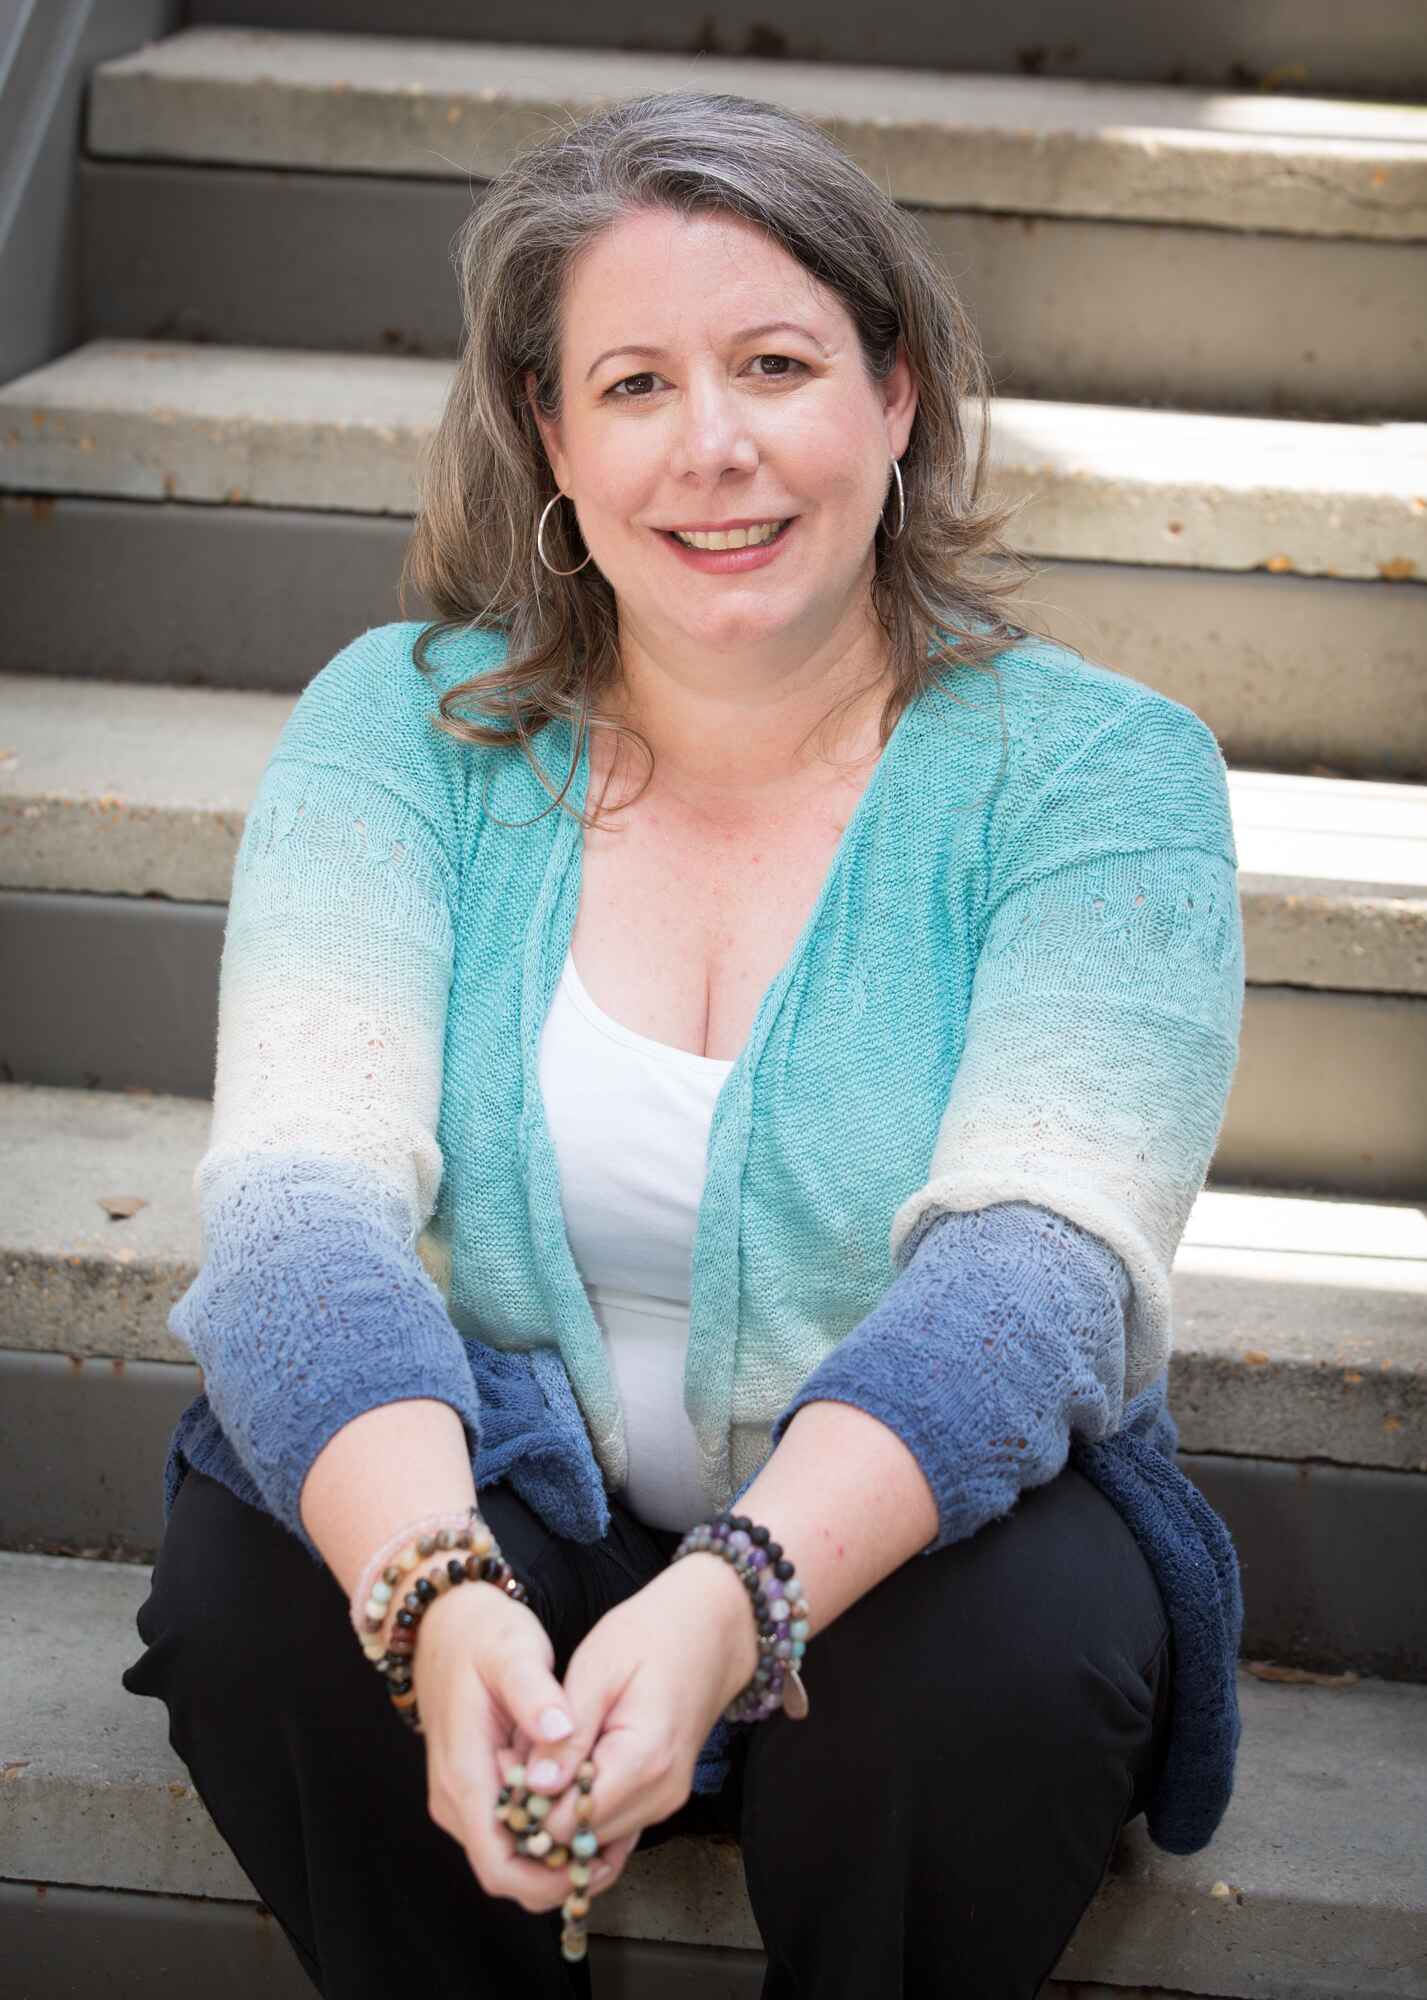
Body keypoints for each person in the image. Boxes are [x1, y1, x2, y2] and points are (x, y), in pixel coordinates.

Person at [120, 88, 1246, 1998]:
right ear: (550, 440)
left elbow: (1041, 1270)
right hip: (509, 1487)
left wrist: (738, 1597)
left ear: (898, 395)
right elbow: (301, 1208)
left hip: (906, 1539)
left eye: (779, 363)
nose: (712, 447)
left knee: (1004, 1669)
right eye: (632, 384)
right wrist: (436, 1599)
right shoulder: (405, 729)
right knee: (256, 1597)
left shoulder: (1101, 776)